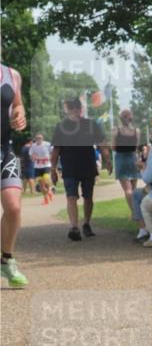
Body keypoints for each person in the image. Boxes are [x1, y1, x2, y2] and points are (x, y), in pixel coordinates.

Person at [50, 98, 111, 241]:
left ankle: (86, 223)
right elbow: (56, 150)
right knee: (71, 196)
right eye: (73, 109)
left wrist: (107, 159)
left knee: (88, 197)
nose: (76, 111)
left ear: (81, 109)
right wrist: (53, 169)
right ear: (68, 110)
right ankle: (74, 227)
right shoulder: (61, 126)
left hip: (87, 165)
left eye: (78, 108)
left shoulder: (91, 124)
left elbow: (102, 143)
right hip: (69, 166)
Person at [1, 63, 29, 287]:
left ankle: (6, 259)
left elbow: (18, 105)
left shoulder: (12, 74)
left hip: (4, 150)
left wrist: (19, 116)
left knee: (14, 206)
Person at [111, 109, 141, 217]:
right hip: (133, 159)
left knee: (127, 190)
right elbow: (136, 147)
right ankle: (137, 211)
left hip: (121, 159)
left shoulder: (115, 130)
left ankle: (135, 212)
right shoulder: (136, 131)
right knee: (133, 188)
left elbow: (113, 147)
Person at [29, 133, 54, 204]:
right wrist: (34, 157)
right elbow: (31, 154)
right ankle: (46, 197)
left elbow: (53, 151)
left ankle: (49, 191)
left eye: (40, 138)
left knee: (46, 180)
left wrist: (50, 157)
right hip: (37, 167)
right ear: (35, 139)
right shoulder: (33, 146)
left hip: (46, 165)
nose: (39, 139)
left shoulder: (47, 144)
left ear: (42, 139)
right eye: (37, 138)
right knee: (41, 185)